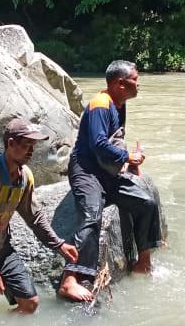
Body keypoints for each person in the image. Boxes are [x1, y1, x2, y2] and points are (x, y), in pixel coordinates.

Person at [0, 118, 79, 319]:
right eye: (27, 145)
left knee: (30, 303)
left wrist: (59, 245)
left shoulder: (25, 177)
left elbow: (34, 217)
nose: (31, 151)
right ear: (10, 144)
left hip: (0, 250)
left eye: (33, 146)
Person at [58, 60, 162, 302]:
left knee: (145, 203)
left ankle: (143, 263)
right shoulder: (100, 105)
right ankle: (69, 279)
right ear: (120, 83)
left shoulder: (119, 104)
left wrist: (130, 163)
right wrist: (127, 156)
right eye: (136, 80)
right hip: (86, 170)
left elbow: (115, 140)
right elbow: (99, 145)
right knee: (92, 216)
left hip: (107, 172)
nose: (139, 85)